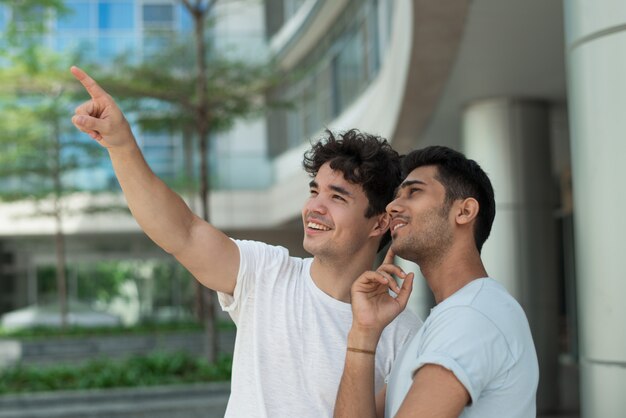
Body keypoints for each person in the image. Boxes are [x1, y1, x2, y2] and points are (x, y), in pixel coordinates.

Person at [69, 66, 421, 418]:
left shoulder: (403, 333)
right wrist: (121, 143)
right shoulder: (267, 272)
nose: (314, 206)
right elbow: (183, 231)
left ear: (380, 223)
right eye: (314, 191)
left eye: (337, 197)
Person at [334, 146, 539, 418]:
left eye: (414, 192)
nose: (392, 207)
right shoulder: (443, 324)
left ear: (464, 211)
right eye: (396, 196)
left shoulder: (472, 315)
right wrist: (364, 332)